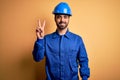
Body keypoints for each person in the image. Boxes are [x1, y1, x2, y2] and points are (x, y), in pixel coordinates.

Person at [32, 2, 90, 80]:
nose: (62, 20)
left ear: (69, 18)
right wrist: (40, 39)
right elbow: (37, 58)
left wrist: (85, 78)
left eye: (65, 17)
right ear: (55, 18)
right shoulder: (46, 39)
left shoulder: (77, 40)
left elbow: (83, 61)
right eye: (59, 17)